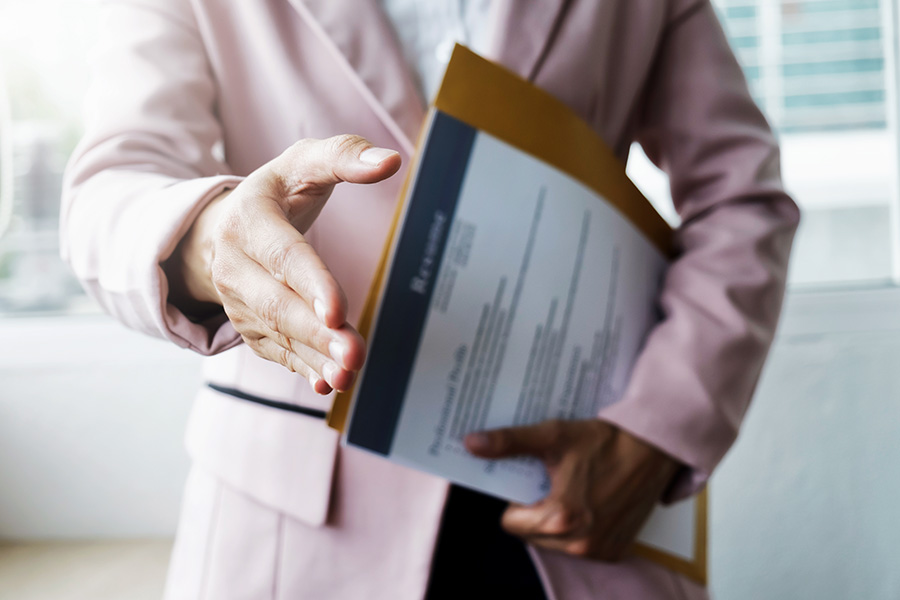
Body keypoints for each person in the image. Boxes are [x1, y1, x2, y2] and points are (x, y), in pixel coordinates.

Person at [60, 1, 800, 598]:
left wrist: (660, 427)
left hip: (583, 483)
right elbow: (112, 187)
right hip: (299, 519)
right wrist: (211, 238)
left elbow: (742, 198)